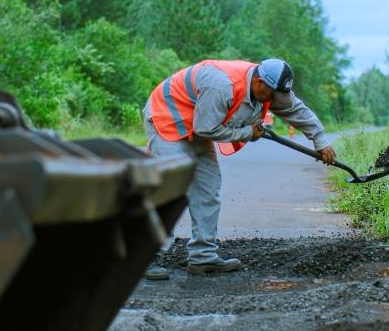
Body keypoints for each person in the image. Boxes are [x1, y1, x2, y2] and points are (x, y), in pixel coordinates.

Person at [142, 58, 336, 279]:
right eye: (273, 95)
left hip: (199, 123)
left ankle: (203, 257)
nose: (275, 101)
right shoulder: (221, 86)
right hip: (168, 119)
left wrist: (320, 140)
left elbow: (296, 110)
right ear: (259, 82)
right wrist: (247, 134)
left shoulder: (270, 88)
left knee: (208, 188)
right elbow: (205, 128)